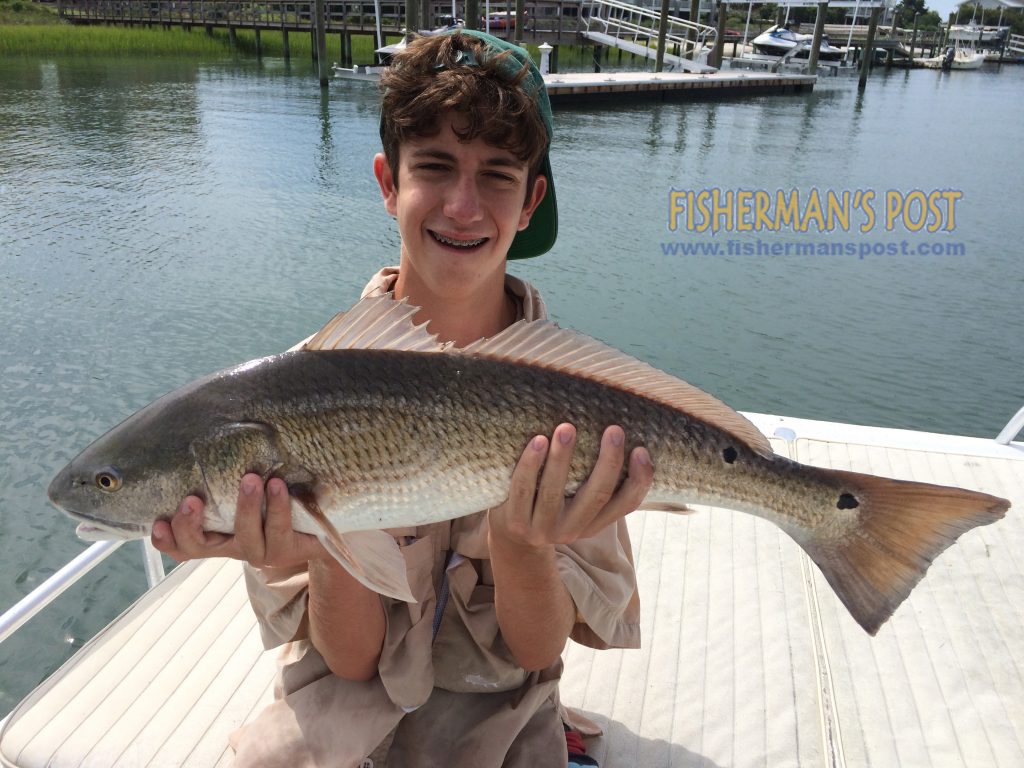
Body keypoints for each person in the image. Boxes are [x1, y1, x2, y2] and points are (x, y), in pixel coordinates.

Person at [151, 29, 654, 768]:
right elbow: (351, 665)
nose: (461, 205)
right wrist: (324, 544)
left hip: (504, 726)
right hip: (337, 727)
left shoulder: (577, 406)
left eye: (496, 176)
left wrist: (520, 540)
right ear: (389, 181)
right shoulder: (291, 400)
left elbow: (536, 649)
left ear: (530, 200)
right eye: (436, 167)